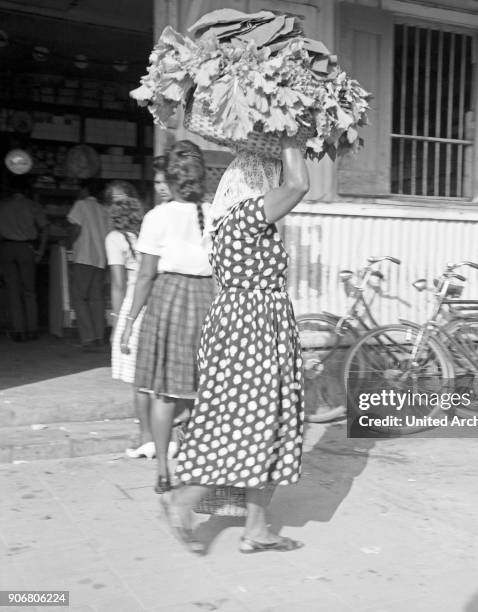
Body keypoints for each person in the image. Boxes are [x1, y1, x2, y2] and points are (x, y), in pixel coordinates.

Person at [161, 136, 309, 555]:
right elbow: (299, 185)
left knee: (268, 424)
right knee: (246, 425)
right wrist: (292, 140)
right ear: (257, 181)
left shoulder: (224, 219)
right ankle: (182, 501)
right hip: (254, 332)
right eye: (270, 180)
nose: (276, 188)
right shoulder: (247, 214)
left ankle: (257, 528)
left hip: (244, 327)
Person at [120, 140, 215, 493]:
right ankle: (196, 463)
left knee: (163, 394)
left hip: (168, 301)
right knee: (202, 391)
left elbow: (145, 276)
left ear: (171, 180)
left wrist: (129, 321)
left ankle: (163, 470)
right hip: (207, 300)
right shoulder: (216, 213)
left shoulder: (157, 217)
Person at [104, 180, 166, 459]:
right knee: (154, 378)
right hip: (154, 304)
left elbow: (118, 284)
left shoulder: (114, 239)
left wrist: (119, 321)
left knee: (138, 381)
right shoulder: (144, 236)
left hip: (133, 305)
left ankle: (146, 438)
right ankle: (161, 435)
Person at [0, 175, 48, 341]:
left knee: (13, 291)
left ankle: (18, 331)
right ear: (26, 190)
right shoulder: (32, 205)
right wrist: (41, 250)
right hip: (27, 248)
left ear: (11, 190)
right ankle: (32, 329)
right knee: (29, 291)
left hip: (6, 248)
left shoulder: (3, 206)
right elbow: (45, 229)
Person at [67, 178, 109, 351]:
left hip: (84, 257)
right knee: (96, 299)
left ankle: (88, 338)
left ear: (85, 190)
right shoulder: (103, 209)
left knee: (79, 298)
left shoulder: (80, 205)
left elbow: (76, 228)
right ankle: (100, 337)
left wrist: (68, 242)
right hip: (101, 259)